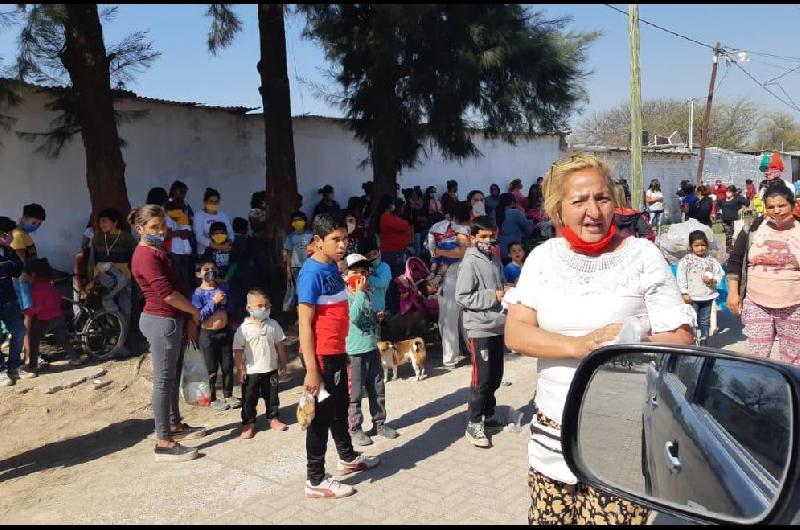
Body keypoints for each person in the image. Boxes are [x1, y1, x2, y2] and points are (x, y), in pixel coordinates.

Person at [504, 155, 694, 525]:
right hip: (553, 430)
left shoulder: (642, 255)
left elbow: (681, 335)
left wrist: (634, 340)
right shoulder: (543, 258)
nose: (593, 210)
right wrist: (580, 347)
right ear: (558, 209)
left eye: (602, 198)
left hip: (624, 431)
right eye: (579, 201)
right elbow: (516, 332)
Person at [298, 213, 379, 499]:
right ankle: (315, 479)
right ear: (318, 242)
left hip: (337, 351)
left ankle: (347, 457)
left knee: (339, 407)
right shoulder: (311, 274)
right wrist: (311, 370)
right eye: (335, 239)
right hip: (321, 357)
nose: (343, 244)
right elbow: (304, 325)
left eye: (345, 238)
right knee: (320, 417)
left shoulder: (333, 266)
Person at [130, 204, 207, 462]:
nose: (160, 230)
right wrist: (195, 312)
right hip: (161, 321)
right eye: (154, 227)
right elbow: (167, 294)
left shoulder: (157, 250)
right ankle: (163, 441)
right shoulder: (145, 256)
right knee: (163, 381)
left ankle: (174, 424)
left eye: (162, 225)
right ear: (140, 229)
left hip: (171, 319)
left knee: (173, 376)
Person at [727, 184, 800, 365]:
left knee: (793, 360)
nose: (777, 211)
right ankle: (758, 392)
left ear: (792, 205)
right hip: (756, 302)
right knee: (757, 359)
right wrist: (733, 292)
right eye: (771, 207)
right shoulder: (754, 228)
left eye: (782, 205)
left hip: (794, 306)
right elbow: (735, 261)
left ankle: (790, 392)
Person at [455, 216, 507, 448]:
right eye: (482, 237)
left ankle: (489, 413)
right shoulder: (470, 261)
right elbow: (462, 296)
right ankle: (474, 423)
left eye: (491, 236)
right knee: (482, 377)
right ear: (473, 238)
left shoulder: (494, 259)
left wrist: (507, 291)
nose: (487, 240)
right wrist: (492, 296)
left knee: (496, 374)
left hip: (497, 324)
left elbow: (499, 287)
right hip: (479, 327)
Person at [344, 253, 398, 447]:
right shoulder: (346, 296)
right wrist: (359, 293)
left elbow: (365, 318)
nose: (360, 277)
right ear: (345, 275)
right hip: (354, 351)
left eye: (364, 273)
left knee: (377, 388)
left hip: (371, 346)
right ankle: (355, 428)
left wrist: (376, 318)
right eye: (355, 272)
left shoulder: (366, 293)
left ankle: (379, 423)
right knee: (354, 393)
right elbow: (354, 316)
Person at [234, 289, 288, 439]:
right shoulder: (243, 329)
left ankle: (273, 417)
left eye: (266, 305)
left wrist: (283, 362)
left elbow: (279, 345)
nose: (264, 309)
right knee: (249, 398)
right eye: (259, 306)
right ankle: (248, 423)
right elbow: (238, 350)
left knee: (272, 396)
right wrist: (240, 369)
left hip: (270, 369)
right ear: (249, 308)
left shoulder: (273, 325)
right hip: (252, 372)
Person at [19, 258, 85, 378]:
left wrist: (26, 311)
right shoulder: (49, 285)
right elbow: (58, 298)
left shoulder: (36, 289)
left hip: (44, 320)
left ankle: (32, 366)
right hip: (58, 316)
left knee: (34, 341)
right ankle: (75, 359)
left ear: (33, 274)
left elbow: (35, 308)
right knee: (64, 340)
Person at [192, 260, 239, 411]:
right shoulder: (198, 294)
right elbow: (199, 316)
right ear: (199, 274)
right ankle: (212, 398)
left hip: (225, 332)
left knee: (227, 366)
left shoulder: (223, 287)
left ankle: (228, 394)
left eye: (213, 268)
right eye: (207, 269)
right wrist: (213, 302)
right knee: (211, 369)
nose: (211, 272)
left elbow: (232, 307)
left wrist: (225, 302)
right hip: (208, 335)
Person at [89, 208, 136, 354]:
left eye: (105, 221)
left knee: (126, 310)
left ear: (115, 222)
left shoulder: (126, 238)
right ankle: (112, 343)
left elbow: (135, 257)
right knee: (110, 312)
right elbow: (91, 261)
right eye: (100, 221)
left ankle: (122, 344)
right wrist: (91, 278)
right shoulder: (96, 238)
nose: (101, 224)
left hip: (125, 278)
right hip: (104, 277)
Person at [433, 202, 472, 368]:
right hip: (468, 271)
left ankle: (450, 357)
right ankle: (474, 350)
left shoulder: (446, 230)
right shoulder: (472, 230)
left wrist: (440, 252)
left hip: (451, 273)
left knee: (449, 317)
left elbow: (455, 252)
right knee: (467, 315)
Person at [677, 231, 724, 345]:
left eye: (703, 245)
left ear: (707, 245)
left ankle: (704, 339)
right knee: (691, 320)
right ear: (691, 246)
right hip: (692, 297)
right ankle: (692, 340)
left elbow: (719, 273)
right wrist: (684, 292)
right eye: (697, 246)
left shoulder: (711, 260)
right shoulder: (686, 260)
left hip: (707, 296)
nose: (700, 248)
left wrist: (714, 281)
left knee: (704, 320)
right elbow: (681, 276)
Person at [0, 217, 26, 386]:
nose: (10, 236)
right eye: (7, 234)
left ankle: (14, 366)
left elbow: (18, 270)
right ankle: (1, 370)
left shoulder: (9, 251)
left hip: (9, 298)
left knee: (19, 331)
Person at [193, 188, 233, 257]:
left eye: (216, 201)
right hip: (204, 254)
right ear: (205, 202)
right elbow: (199, 237)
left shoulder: (223, 215)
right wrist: (217, 246)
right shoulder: (199, 215)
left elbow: (230, 233)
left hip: (223, 254)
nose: (214, 204)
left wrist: (228, 244)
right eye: (211, 201)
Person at [497, 193, 533, 261]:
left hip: (499, 250)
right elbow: (528, 229)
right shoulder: (514, 212)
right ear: (512, 202)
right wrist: (531, 222)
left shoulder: (494, 212)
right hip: (514, 250)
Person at [284, 211, 314, 284]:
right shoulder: (290, 237)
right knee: (299, 290)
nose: (298, 222)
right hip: (296, 267)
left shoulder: (310, 235)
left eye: (300, 219)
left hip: (309, 266)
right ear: (292, 223)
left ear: (304, 221)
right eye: (295, 220)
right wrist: (288, 271)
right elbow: (288, 254)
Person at [717, 186, 750, 253]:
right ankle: (729, 251)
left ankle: (735, 249)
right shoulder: (723, 199)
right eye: (727, 191)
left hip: (735, 221)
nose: (727, 193)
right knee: (728, 236)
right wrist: (720, 210)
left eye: (729, 192)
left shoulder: (738, 198)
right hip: (725, 220)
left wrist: (742, 209)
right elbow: (718, 204)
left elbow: (747, 202)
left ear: (733, 193)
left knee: (734, 236)